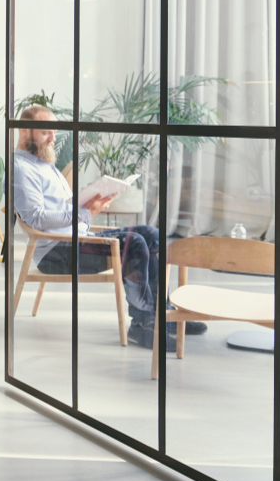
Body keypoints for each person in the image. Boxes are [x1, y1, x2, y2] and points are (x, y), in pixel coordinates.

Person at [13, 105, 203, 349]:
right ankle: (142, 325)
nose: (52, 139)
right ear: (24, 132)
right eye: (45, 133)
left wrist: (90, 205)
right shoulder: (21, 169)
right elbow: (37, 218)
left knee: (149, 233)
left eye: (54, 133)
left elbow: (64, 208)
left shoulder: (43, 164)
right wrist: (84, 212)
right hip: (57, 253)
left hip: (75, 239)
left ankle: (163, 314)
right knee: (134, 244)